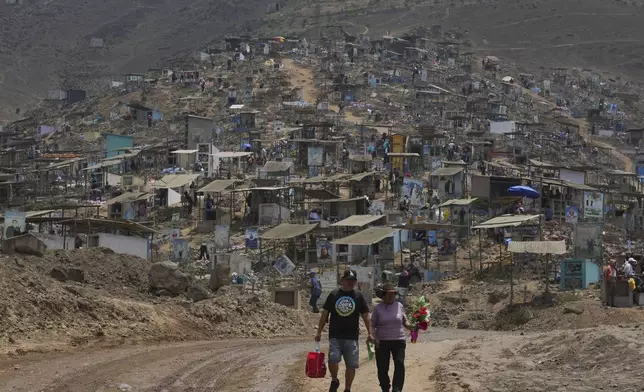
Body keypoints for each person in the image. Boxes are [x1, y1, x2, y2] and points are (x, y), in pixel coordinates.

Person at [315, 270, 374, 392]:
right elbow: (325, 314)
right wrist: (319, 332)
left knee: (351, 365)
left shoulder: (358, 296)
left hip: (352, 337)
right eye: (348, 280)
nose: (350, 283)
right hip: (335, 335)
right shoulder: (334, 294)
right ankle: (335, 380)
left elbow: (366, 315)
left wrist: (370, 333)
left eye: (353, 280)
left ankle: (347, 389)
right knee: (333, 359)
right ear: (342, 281)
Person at [371, 283, 414, 392]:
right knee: (382, 367)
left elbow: (405, 321)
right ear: (383, 295)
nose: (392, 296)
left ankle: (397, 389)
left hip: (398, 340)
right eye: (389, 294)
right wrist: (372, 336)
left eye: (394, 294)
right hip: (382, 342)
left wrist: (412, 326)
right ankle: (385, 388)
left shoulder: (399, 305)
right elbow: (372, 324)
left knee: (399, 364)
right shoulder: (377, 308)